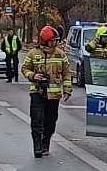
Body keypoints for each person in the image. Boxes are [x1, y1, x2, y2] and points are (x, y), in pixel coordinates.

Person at [22, 25, 72, 157]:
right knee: (37, 120)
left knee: (50, 121)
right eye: (52, 40)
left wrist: (67, 89)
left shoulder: (60, 55)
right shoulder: (33, 53)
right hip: (37, 92)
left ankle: (46, 143)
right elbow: (25, 68)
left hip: (54, 95)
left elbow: (67, 73)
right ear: (45, 40)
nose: (55, 43)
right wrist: (33, 76)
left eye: (56, 40)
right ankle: (37, 147)